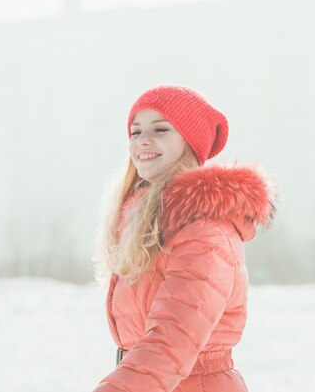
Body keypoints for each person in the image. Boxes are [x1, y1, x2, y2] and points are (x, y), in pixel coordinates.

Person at [92, 84, 276, 392]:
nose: (143, 141)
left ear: (189, 141)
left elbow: (171, 342)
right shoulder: (149, 224)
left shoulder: (203, 229)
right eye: (135, 132)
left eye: (160, 129)